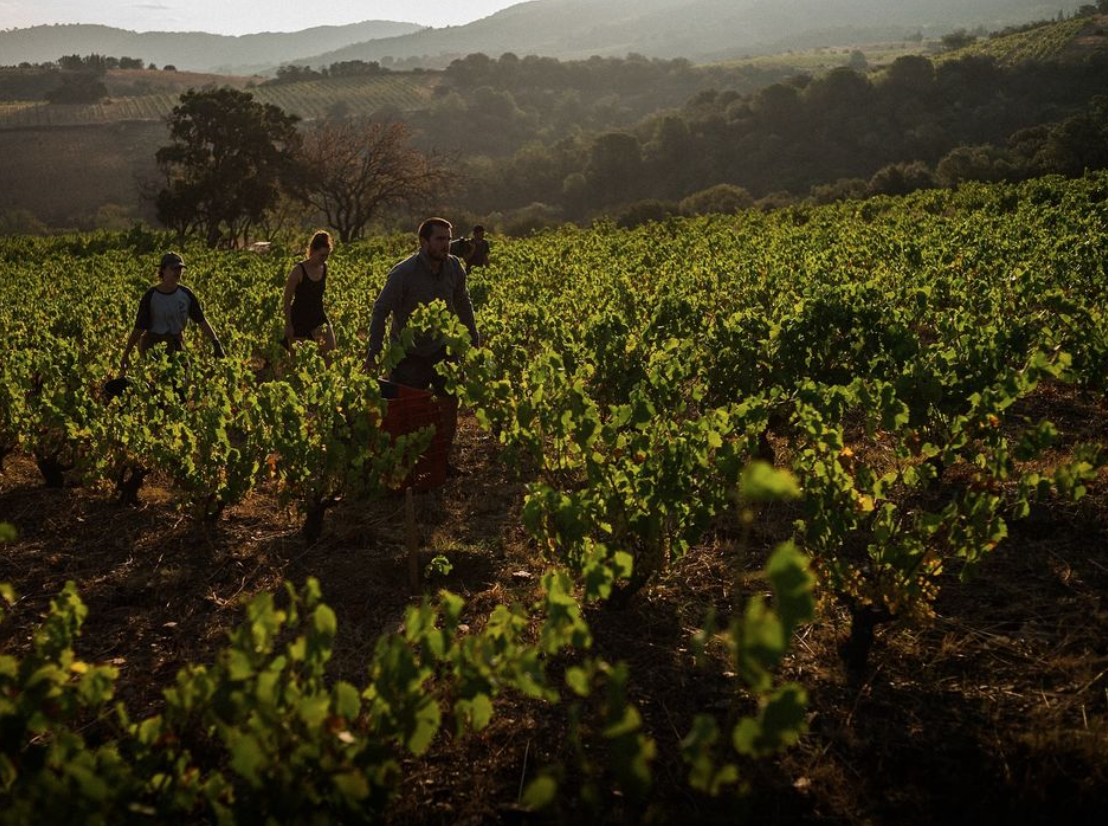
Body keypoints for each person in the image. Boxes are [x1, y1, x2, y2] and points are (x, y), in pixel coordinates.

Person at [366, 218, 479, 470]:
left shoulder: (454, 268)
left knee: (449, 404)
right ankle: (407, 463)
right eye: (440, 239)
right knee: (409, 411)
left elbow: (463, 302)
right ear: (423, 241)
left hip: (442, 347)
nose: (446, 244)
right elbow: (381, 310)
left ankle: (442, 462)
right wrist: (374, 351)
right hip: (409, 352)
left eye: (449, 239)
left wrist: (473, 338)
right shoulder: (403, 273)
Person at [120, 252, 224, 372]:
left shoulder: (186, 294)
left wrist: (216, 342)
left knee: (182, 383)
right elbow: (139, 328)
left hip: (177, 344)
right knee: (159, 385)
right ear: (163, 270)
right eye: (173, 268)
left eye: (180, 268)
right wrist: (126, 354)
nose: (177, 272)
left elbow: (201, 320)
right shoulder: (151, 296)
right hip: (154, 346)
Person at [282, 230, 337, 355]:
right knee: (299, 363)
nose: (324, 259)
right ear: (312, 251)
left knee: (331, 354)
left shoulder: (324, 268)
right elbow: (287, 299)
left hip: (318, 316)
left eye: (327, 256)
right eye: (321, 255)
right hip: (300, 319)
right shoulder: (298, 270)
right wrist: (288, 324)